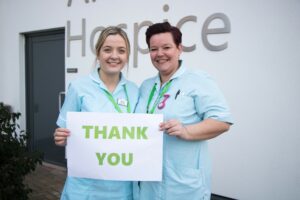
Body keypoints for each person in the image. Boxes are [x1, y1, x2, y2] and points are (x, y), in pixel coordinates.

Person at [135, 22, 233, 200]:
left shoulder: (198, 80)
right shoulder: (146, 86)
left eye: (166, 47)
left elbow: (222, 122)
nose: (159, 54)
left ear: (179, 48)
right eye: (153, 49)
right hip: (149, 184)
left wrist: (187, 131)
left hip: (183, 185)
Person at [53, 26, 139, 200]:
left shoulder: (134, 91)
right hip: (85, 189)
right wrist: (60, 137)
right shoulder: (78, 87)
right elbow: (62, 133)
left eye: (121, 51)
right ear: (98, 53)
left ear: (127, 55)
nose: (114, 56)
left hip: (122, 190)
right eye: (107, 50)